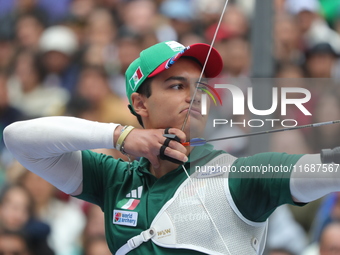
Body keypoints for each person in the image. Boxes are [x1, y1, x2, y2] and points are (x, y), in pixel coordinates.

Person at [3, 40, 340, 255]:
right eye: (178, 85)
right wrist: (121, 136)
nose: (195, 96)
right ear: (140, 103)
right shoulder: (113, 179)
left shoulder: (241, 176)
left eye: (202, 88)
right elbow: (18, 139)